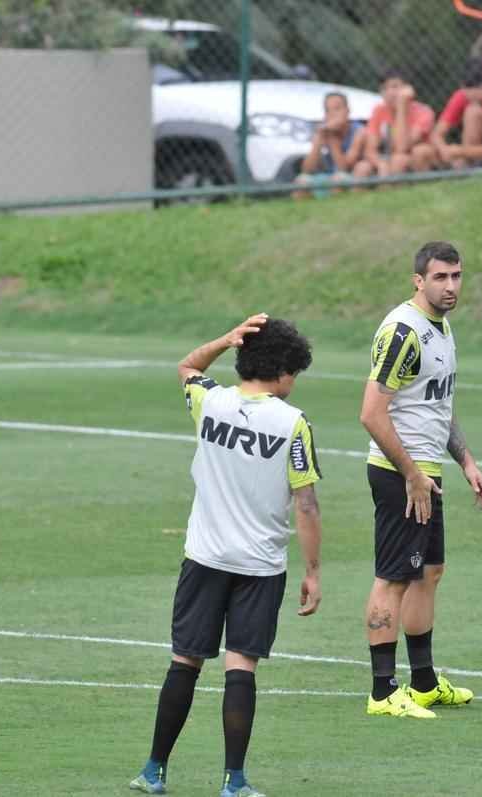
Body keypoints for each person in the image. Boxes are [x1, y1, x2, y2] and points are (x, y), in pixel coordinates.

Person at [129, 314, 323, 797]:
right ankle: (233, 781)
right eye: (294, 372)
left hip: (205, 557)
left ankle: (153, 771)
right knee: (241, 666)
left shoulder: (210, 402)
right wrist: (313, 571)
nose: (294, 382)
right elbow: (306, 503)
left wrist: (226, 338)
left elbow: (187, 366)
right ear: (281, 371)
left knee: (185, 661)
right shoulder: (293, 423)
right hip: (259, 566)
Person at [360, 240, 482, 719]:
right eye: (441, 277)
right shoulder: (403, 332)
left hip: (427, 473)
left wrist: (467, 461)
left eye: (456, 276)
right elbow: (372, 414)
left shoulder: (441, 328)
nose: (451, 285)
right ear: (418, 280)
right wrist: (412, 474)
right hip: (400, 474)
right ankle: (381, 691)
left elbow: (438, 406)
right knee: (393, 578)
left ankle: (422, 682)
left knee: (428, 573)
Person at [429, 57, 482, 170]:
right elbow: (437, 134)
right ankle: (466, 166)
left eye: (478, 88)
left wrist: (459, 151)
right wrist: (444, 150)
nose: (472, 93)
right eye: (468, 87)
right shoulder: (460, 96)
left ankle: (469, 165)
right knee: (423, 152)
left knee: (473, 112)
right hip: (470, 151)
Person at [353, 68, 436, 182]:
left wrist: (401, 106)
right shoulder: (379, 111)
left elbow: (402, 147)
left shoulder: (424, 112)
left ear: (407, 89)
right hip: (390, 157)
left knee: (400, 159)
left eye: (395, 87)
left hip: (416, 158)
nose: (390, 92)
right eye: (385, 88)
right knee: (362, 167)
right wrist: (381, 164)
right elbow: (370, 150)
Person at [294, 92, 366, 198]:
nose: (332, 114)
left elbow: (344, 168)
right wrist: (319, 140)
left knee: (339, 178)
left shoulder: (359, 131)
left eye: (337, 108)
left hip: (351, 178)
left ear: (347, 111)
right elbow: (307, 169)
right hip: (327, 176)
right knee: (301, 180)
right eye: (328, 110)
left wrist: (332, 140)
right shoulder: (323, 131)